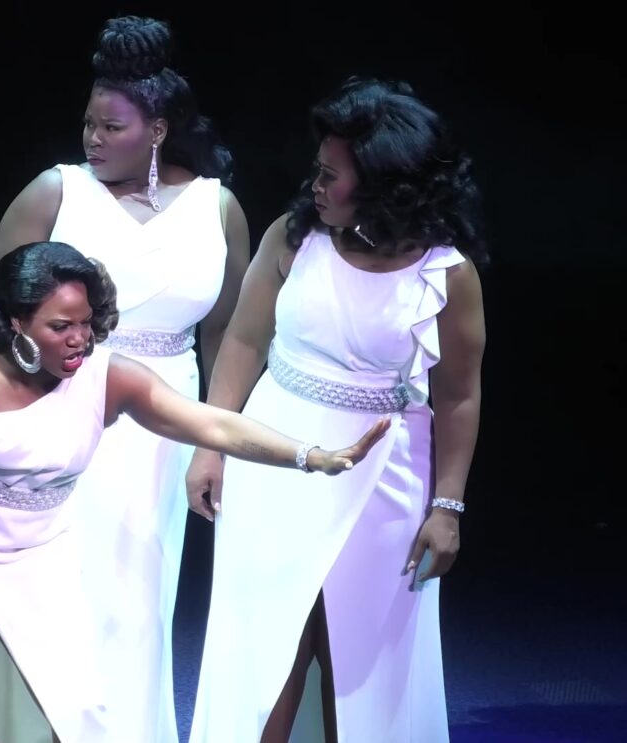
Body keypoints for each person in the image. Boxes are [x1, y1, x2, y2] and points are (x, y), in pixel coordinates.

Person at [0, 240, 389, 743]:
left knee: (74, 704)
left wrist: (309, 455)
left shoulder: (108, 376)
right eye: (60, 327)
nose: (80, 339)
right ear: (17, 323)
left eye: (86, 322)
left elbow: (211, 425)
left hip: (37, 536)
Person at [186, 77, 487, 743]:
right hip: (275, 457)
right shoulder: (294, 238)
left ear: (383, 186)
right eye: (317, 169)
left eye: (330, 174)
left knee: (361, 659)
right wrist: (211, 444)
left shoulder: (446, 273)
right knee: (266, 646)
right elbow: (243, 341)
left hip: (386, 478)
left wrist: (447, 506)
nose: (314, 185)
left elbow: (459, 395)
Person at [0, 17, 250, 740]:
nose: (93, 138)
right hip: (62, 406)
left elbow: (228, 336)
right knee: (59, 588)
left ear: (157, 131)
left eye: (112, 126)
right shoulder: (56, 191)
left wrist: (213, 443)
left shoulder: (217, 206)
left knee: (139, 595)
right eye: (88, 123)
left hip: (164, 422)